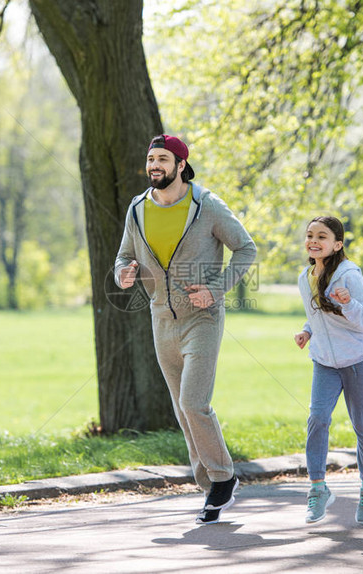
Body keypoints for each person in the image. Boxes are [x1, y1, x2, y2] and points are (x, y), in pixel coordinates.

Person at [114, 134, 257, 525]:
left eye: (162, 158)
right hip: (161, 318)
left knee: (195, 403)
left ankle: (223, 479)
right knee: (182, 409)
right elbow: (124, 256)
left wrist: (216, 289)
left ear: (180, 164)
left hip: (203, 319)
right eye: (150, 159)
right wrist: (123, 274)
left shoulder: (206, 206)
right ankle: (209, 484)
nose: (154, 165)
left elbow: (246, 249)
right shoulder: (138, 208)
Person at [293, 216, 363, 526]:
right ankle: (318, 488)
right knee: (317, 419)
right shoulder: (305, 277)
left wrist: (347, 304)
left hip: (358, 360)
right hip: (325, 363)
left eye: (322, 236)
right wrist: (307, 331)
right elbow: (316, 316)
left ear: (337, 244)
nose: (313, 240)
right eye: (310, 235)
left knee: (362, 424)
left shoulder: (348, 274)